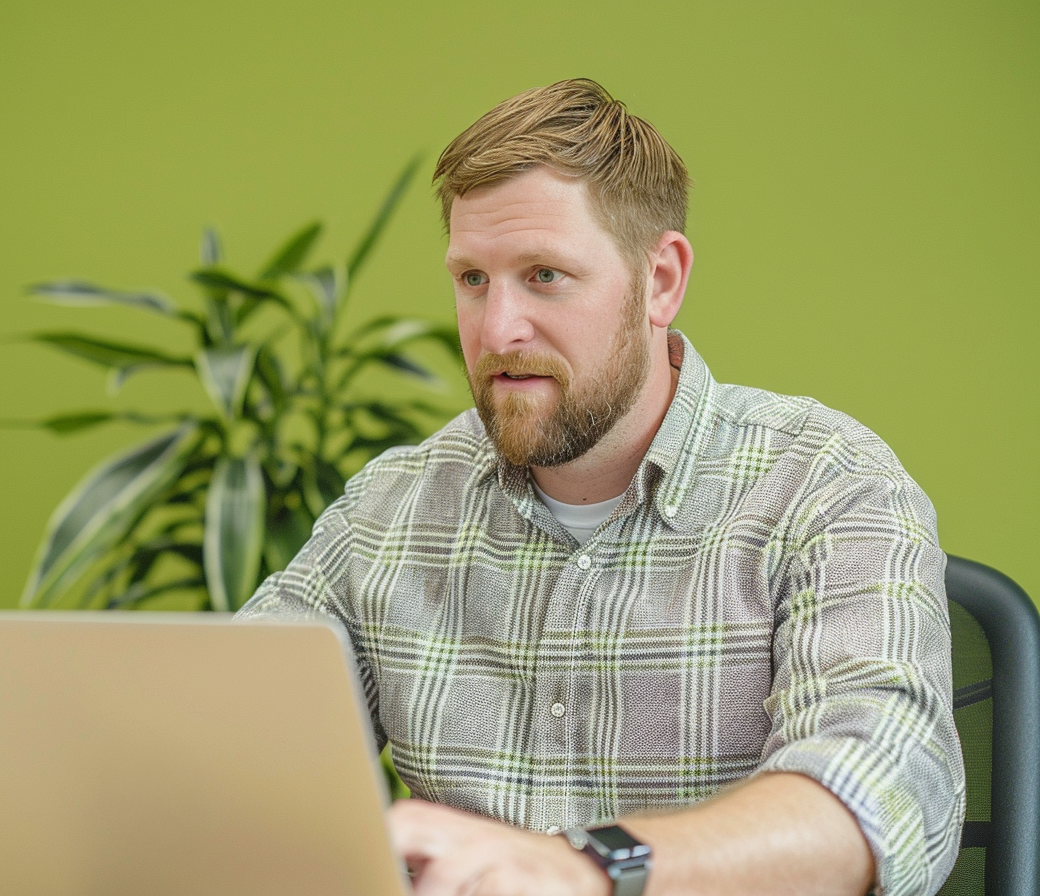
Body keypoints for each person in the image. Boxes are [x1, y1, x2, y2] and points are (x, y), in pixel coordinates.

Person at [237, 79, 964, 896]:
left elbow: (878, 795)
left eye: (544, 275)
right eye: (473, 279)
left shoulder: (828, 485)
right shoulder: (394, 507)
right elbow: (226, 737)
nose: (497, 328)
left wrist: (588, 865)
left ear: (660, 281)